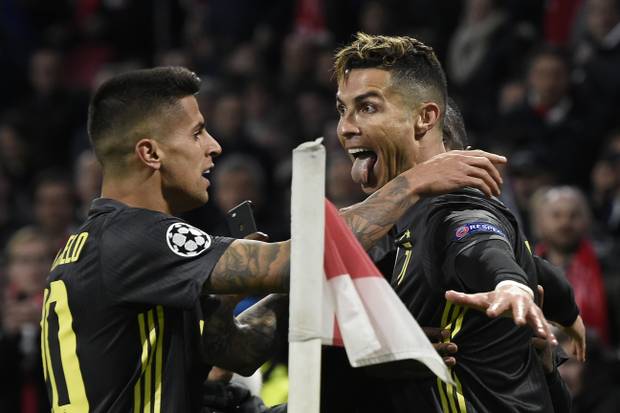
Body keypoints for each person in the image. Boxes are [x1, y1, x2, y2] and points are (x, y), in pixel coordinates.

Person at [40, 66, 511, 412]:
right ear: (150, 153)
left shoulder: (112, 245)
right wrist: (414, 182)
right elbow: (295, 262)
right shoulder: (133, 238)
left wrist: (364, 330)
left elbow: (236, 352)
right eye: (198, 132)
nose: (214, 146)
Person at [333, 32, 556, 412]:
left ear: (425, 119)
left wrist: (510, 284)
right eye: (342, 109)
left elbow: (479, 241)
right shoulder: (392, 224)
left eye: (367, 108)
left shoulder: (451, 208)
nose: (346, 128)